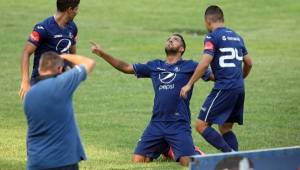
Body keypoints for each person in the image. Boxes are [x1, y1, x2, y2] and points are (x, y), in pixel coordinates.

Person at [90, 34, 213, 166]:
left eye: (175, 39)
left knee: (187, 163)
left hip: (178, 123)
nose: (170, 40)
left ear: (182, 49)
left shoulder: (190, 66)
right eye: (169, 39)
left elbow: (212, 75)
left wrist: (233, 72)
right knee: (138, 160)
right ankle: (166, 147)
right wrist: (102, 54)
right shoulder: (155, 65)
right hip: (157, 123)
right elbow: (126, 67)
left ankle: (191, 151)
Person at [180, 5, 253, 152]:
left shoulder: (212, 37)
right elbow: (249, 63)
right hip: (239, 87)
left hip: (224, 88)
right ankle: (235, 163)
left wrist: (189, 84)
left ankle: (230, 154)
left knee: (201, 125)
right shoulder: (237, 37)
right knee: (225, 127)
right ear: (223, 19)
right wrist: (240, 77)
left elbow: (205, 62)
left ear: (208, 22)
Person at [23, 52, 95, 170]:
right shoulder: (62, 84)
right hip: (62, 160)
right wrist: (64, 56)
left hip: (35, 161)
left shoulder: (29, 95)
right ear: (59, 69)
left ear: (40, 69)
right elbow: (89, 63)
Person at [19, 0, 80, 99]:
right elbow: (26, 52)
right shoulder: (43, 28)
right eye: (76, 9)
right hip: (40, 83)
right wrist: (25, 81)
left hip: (61, 83)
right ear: (69, 10)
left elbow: (72, 54)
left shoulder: (72, 27)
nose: (77, 12)